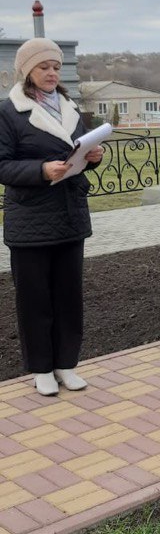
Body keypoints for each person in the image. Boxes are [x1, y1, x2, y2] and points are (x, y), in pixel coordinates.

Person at [0, 39, 104, 396]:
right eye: (44, 66)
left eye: (56, 67)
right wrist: (41, 170)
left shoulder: (69, 105)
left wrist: (94, 155)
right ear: (28, 70)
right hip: (30, 218)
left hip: (69, 215)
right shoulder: (9, 111)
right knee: (34, 298)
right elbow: (3, 165)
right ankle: (41, 368)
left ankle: (66, 363)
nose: (51, 73)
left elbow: (78, 147)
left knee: (68, 295)